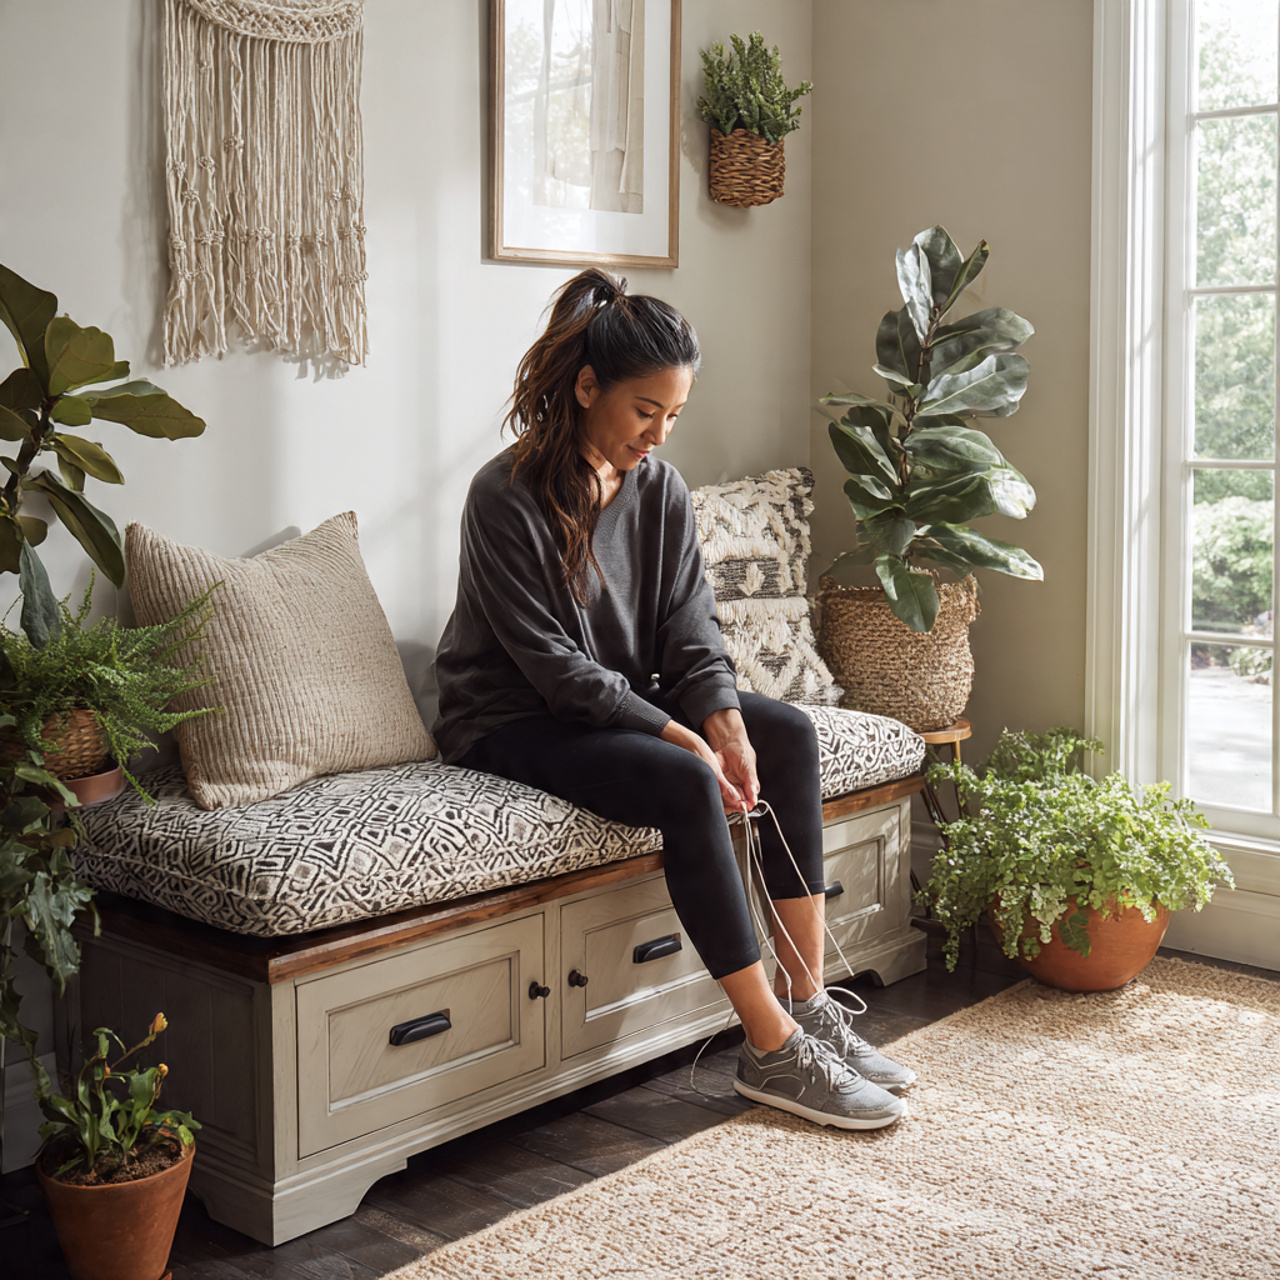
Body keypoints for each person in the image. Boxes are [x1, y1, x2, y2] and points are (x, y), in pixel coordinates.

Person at [433, 268, 914, 1130]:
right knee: (688, 779)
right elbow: (553, 668)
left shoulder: (660, 491)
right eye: (643, 411)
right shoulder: (502, 496)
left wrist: (722, 722)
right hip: (511, 719)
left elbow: (693, 636)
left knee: (786, 735)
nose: (657, 434)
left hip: (620, 697)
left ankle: (807, 1005)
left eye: (673, 415)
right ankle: (769, 1051)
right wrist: (676, 737)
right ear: (587, 389)